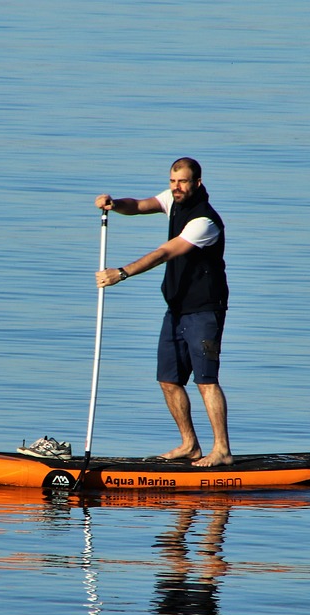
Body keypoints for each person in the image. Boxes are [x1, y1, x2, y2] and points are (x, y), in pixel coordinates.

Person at [94, 157, 233, 467]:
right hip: (176, 308)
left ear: (197, 182)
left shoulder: (205, 222)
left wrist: (123, 272)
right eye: (173, 181)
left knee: (206, 381)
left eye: (182, 182)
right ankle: (190, 445)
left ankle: (221, 449)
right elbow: (140, 205)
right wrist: (115, 204)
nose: (176, 187)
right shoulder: (172, 199)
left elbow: (165, 252)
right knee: (169, 380)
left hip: (205, 311)